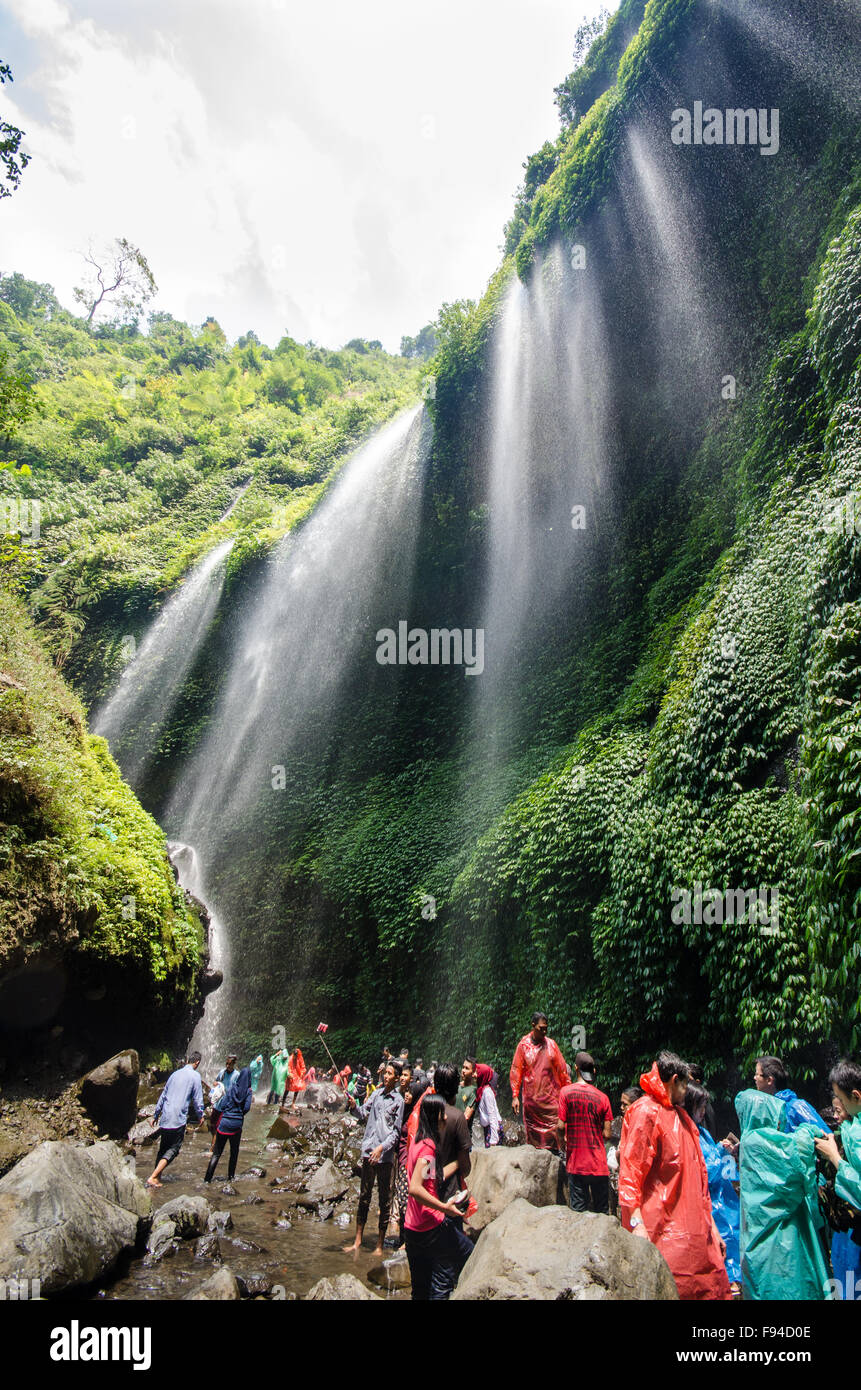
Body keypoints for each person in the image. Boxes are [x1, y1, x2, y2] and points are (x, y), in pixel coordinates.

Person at [619, 1051, 731, 1301]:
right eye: (685, 1084)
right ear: (675, 1080)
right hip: (660, 1231)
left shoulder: (683, 1120)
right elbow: (630, 1173)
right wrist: (637, 1224)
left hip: (693, 1234)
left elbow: (700, 1183)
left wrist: (711, 1227)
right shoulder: (645, 1112)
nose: (687, 1091)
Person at [735, 1087, 829, 1300]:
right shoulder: (758, 1140)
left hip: (765, 1236)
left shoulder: (750, 1140)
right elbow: (797, 1155)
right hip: (779, 1239)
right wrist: (807, 1129)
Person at [404, 1094, 474, 1300]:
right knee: (470, 1254)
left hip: (411, 1228)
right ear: (435, 1117)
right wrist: (445, 1208)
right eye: (442, 1113)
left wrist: (458, 1164)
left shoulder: (417, 1142)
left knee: (420, 1290)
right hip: (431, 1225)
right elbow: (415, 1188)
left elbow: (431, 1179)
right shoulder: (429, 1148)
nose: (446, 1118)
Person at [683, 1081, 741, 1295]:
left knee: (731, 1238)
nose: (703, 1111)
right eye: (700, 1106)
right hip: (710, 1204)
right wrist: (719, 1153)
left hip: (723, 1200)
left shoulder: (702, 1132)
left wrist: (723, 1151)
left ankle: (733, 1279)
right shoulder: (686, 1134)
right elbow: (701, 1172)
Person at [343, 1061, 404, 1256]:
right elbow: (362, 1114)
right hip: (368, 1151)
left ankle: (379, 1245)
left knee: (385, 1200)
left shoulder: (399, 1101)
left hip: (384, 1157)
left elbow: (396, 1133)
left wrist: (382, 1148)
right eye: (385, 1073)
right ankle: (358, 1240)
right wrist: (354, 1106)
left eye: (389, 1073)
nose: (385, 1076)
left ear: (396, 1078)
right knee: (364, 1196)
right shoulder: (376, 1094)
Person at [814, 1059, 861, 1299]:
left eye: (840, 1101)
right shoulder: (855, 1126)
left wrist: (835, 1157)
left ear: (856, 1096)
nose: (837, 1108)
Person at [556, 1050, 613, 1213]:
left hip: (577, 1164)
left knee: (578, 1213)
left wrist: (562, 1144)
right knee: (602, 1213)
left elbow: (560, 1127)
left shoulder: (566, 1093)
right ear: (594, 1071)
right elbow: (607, 1134)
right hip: (598, 1164)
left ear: (575, 1068)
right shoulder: (603, 1098)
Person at [509, 1012, 570, 1150]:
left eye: (546, 1028)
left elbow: (563, 1072)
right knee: (534, 1143)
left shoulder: (552, 1045)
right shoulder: (523, 1046)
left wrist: (569, 1093)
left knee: (556, 1137)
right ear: (533, 1026)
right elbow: (516, 1071)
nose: (544, 1031)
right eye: (541, 1028)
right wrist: (515, 1096)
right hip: (532, 1104)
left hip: (551, 1102)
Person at [147, 1052, 205, 1187]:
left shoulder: (175, 1074)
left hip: (166, 1115)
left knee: (163, 1148)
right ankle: (154, 1176)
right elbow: (197, 1099)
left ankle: (157, 1178)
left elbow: (163, 1094)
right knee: (174, 1148)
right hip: (178, 1117)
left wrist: (156, 1115)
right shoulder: (195, 1076)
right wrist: (201, 1115)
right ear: (197, 1063)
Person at [754, 1055, 828, 1134]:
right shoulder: (765, 1109)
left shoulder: (797, 1106)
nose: (754, 1078)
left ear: (769, 1080)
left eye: (757, 1074)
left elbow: (826, 1136)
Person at [205, 1065, 253, 1184]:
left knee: (216, 1154)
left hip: (224, 1123)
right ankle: (230, 1178)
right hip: (236, 1126)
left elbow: (223, 1103)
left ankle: (207, 1179)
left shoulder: (232, 1088)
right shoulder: (248, 1092)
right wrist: (239, 1114)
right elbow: (247, 1108)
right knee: (234, 1152)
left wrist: (228, 1111)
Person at [210, 1053, 240, 1150]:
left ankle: (213, 1149)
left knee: (219, 1127)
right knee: (212, 1125)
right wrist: (216, 1084)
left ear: (233, 1064)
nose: (227, 1066)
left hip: (227, 1105)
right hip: (218, 1103)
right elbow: (215, 1081)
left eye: (229, 1064)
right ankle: (216, 1144)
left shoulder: (237, 1075)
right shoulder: (222, 1072)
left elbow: (238, 1090)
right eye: (226, 1064)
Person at [476, 1063, 503, 1146]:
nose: (474, 1075)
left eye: (477, 1073)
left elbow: (492, 1115)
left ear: (482, 1075)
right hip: (488, 1128)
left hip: (492, 1129)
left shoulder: (487, 1092)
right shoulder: (481, 1090)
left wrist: (494, 1139)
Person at [284, 1046, 306, 1110]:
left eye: (296, 1056)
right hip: (290, 1074)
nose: (295, 1057)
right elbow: (288, 1067)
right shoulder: (290, 1058)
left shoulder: (299, 1058)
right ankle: (283, 1103)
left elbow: (303, 1067)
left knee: (298, 1087)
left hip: (297, 1075)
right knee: (287, 1089)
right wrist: (289, 1074)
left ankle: (293, 1103)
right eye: (294, 1055)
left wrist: (301, 1073)